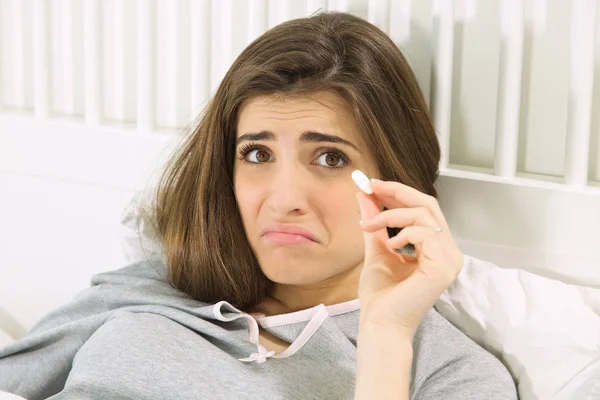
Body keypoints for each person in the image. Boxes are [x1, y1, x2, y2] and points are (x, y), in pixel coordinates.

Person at [0, 11, 517, 400]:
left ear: (396, 180)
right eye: (257, 153)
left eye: (330, 158)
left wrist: (385, 335)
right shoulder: (153, 287)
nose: (285, 199)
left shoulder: (445, 371)